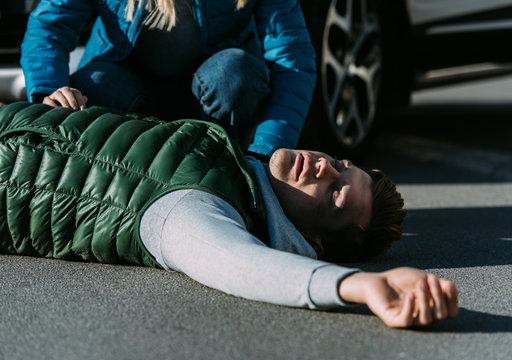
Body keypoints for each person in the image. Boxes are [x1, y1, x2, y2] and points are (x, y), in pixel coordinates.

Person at [0, 102, 458, 328]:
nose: (323, 167)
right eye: (340, 164)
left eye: (334, 194)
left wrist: (359, 286)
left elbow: (240, 264)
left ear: (314, 244)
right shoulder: (235, 166)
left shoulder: (195, 209)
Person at [20, 0, 316, 158]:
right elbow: (49, 24)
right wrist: (50, 88)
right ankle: (120, 172)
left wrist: (267, 152)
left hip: (212, 99)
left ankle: (228, 169)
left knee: (234, 72)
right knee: (94, 83)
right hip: (132, 94)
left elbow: (292, 59)